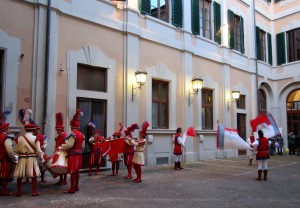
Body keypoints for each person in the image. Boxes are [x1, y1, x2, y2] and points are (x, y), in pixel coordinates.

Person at [14, 117, 45, 196]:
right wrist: (41, 157)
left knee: (20, 175)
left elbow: (16, 150)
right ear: (32, 130)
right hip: (32, 158)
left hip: (22, 158)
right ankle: (34, 191)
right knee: (34, 175)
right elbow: (38, 150)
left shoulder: (20, 138)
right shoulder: (36, 138)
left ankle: (19, 191)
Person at [61, 109, 85, 194]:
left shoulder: (73, 134)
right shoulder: (82, 134)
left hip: (73, 155)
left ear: (71, 126)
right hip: (79, 154)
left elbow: (70, 145)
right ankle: (76, 186)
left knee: (72, 172)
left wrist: (64, 145)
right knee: (77, 171)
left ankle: (72, 188)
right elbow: (83, 146)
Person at [0, 111, 18, 196]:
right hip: (4, 159)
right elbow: (9, 150)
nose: (9, 130)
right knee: (4, 174)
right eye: (8, 128)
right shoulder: (6, 138)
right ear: (6, 129)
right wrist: (14, 158)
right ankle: (4, 190)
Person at [53, 112, 68, 186]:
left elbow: (66, 145)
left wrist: (61, 148)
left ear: (61, 130)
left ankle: (64, 180)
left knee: (64, 167)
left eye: (58, 131)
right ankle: (61, 179)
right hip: (59, 153)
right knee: (59, 167)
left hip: (64, 153)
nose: (57, 132)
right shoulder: (58, 137)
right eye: (57, 131)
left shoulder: (65, 136)